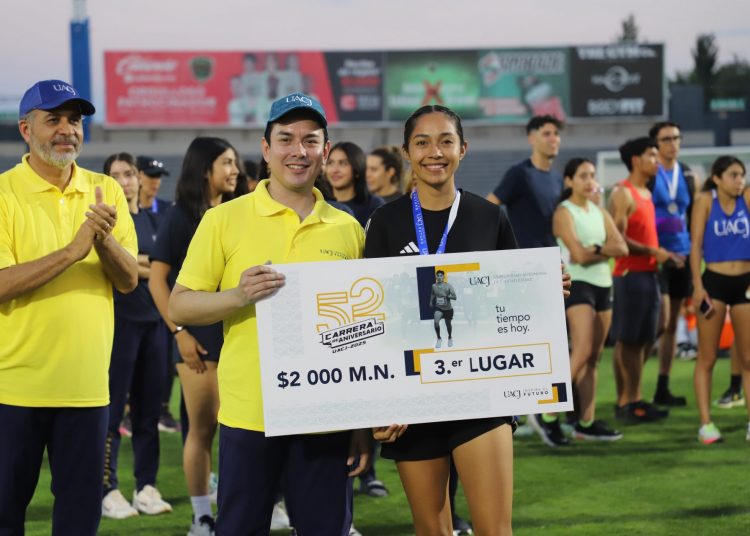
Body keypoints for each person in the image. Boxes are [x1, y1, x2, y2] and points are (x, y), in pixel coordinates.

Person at [168, 92, 371, 535]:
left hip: (325, 416)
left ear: (325, 150)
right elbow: (179, 303)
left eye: (310, 140)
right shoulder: (223, 219)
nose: (299, 151)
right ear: (265, 148)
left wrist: (360, 421)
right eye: (285, 139)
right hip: (249, 415)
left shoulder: (348, 228)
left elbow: (362, 328)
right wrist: (238, 295)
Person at [365, 104, 525, 536]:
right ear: (406, 152)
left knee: (495, 530)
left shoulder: (489, 217)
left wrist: (546, 289)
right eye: (422, 143)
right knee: (431, 530)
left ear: (463, 149)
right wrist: (383, 399)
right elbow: (374, 318)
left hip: (480, 393)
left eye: (445, 141)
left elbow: (513, 299)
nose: (434, 152)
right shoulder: (384, 222)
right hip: (412, 400)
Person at [0, 79, 138, 535]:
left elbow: (128, 281)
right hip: (14, 389)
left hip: (87, 390)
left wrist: (103, 242)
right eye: (54, 119)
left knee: (79, 519)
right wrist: (73, 250)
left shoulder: (105, 190)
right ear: (26, 129)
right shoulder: (3, 193)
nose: (67, 129)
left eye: (75, 120)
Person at [148, 137, 239, 534]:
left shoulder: (239, 212)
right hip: (198, 341)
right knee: (203, 429)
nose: (235, 170)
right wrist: (180, 333)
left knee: (245, 429)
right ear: (205, 169)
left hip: (238, 335)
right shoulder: (180, 215)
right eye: (227, 163)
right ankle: (201, 517)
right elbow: (157, 280)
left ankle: (257, 505)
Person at [101, 153, 172, 519]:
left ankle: (146, 485)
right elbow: (129, 267)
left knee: (149, 413)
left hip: (155, 324)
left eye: (129, 173)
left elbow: (163, 266)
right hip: (119, 324)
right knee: (112, 412)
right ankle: (107, 488)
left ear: (138, 178)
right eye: (115, 175)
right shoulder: (106, 222)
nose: (125, 181)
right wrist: (145, 264)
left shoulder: (153, 218)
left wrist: (141, 264)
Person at [608, 137, 684, 424]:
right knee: (629, 340)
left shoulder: (646, 193)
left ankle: (634, 399)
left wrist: (663, 253)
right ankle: (627, 402)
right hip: (630, 273)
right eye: (652, 155)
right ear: (636, 160)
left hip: (650, 272)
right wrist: (653, 252)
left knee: (644, 339)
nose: (657, 160)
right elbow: (617, 238)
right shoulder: (623, 193)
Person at [552, 158, 628, 443]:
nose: (589, 180)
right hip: (578, 284)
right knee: (581, 350)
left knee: (594, 357)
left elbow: (622, 247)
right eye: (582, 175)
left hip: (603, 285)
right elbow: (579, 256)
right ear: (569, 181)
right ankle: (547, 412)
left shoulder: (599, 211)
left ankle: (586, 421)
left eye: (592, 175)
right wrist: (603, 249)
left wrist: (595, 248)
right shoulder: (564, 212)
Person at [690, 156, 750, 444]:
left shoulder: (747, 198)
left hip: (745, 284)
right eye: (733, 175)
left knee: (748, 358)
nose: (740, 180)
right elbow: (696, 245)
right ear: (717, 178)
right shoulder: (705, 201)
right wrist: (697, 286)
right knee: (708, 357)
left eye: (742, 175)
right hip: (713, 284)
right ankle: (706, 424)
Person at [648, 121, 697, 407]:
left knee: (671, 325)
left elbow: (694, 216)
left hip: (683, 255)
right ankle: (631, 393)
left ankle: (662, 387)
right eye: (666, 139)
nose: (672, 143)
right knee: (658, 324)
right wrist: (656, 251)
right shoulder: (650, 173)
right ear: (656, 144)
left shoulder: (688, 174)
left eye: (676, 138)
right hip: (657, 257)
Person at [486, 114, 563, 249]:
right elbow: (487, 206)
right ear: (532, 138)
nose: (553, 139)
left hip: (552, 254)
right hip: (526, 257)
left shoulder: (557, 178)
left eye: (556, 134)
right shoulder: (520, 173)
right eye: (546, 134)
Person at [326, 141, 385, 226]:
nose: (335, 170)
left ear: (357, 169)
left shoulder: (374, 205)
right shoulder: (319, 203)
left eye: (343, 163)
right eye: (330, 163)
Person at [430, 270, 457, 348]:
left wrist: (448, 296)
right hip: (439, 308)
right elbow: (432, 294)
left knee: (448, 325)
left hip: (448, 309)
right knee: (436, 322)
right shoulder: (434, 286)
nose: (439, 277)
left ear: (443, 277)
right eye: (438, 276)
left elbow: (455, 297)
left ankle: (450, 337)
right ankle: (439, 338)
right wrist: (431, 301)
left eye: (441, 276)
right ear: (436, 277)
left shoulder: (448, 286)